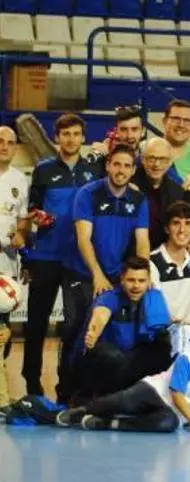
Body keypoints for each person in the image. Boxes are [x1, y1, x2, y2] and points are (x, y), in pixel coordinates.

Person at [56, 321, 190, 433]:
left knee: (167, 425)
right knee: (120, 402)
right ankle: (82, 411)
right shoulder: (186, 359)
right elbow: (177, 395)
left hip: (171, 414)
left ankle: (109, 424)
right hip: (154, 392)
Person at [59, 144, 150, 403]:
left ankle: (97, 394)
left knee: (107, 335)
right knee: (75, 330)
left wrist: (143, 276)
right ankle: (66, 394)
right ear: (108, 165)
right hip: (82, 274)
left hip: (116, 276)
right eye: (116, 164)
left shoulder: (138, 200)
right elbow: (83, 238)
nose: (121, 170)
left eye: (127, 166)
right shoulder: (88, 194)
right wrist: (97, 274)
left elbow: (142, 241)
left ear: (133, 170)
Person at [23, 113, 104, 395]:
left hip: (79, 260)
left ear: (83, 137)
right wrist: (38, 216)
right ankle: (32, 384)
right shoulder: (43, 170)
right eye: (65, 134)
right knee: (36, 323)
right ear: (56, 137)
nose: (71, 139)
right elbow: (32, 208)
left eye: (76, 134)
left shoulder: (94, 170)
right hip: (45, 257)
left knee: (73, 327)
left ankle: (66, 387)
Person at [68, 257, 173, 401]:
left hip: (127, 360)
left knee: (162, 352)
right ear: (122, 279)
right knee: (114, 357)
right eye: (131, 280)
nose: (136, 286)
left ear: (149, 281)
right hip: (96, 361)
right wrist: (93, 333)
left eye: (141, 281)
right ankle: (88, 397)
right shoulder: (110, 297)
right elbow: (100, 314)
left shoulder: (152, 299)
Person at [0, 125, 28, 414]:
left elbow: (22, 223)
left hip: (5, 265)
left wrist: (20, 235)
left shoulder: (20, 180)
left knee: (3, 333)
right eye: (0, 141)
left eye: (10, 142)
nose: (4, 146)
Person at [131, 137, 184, 249]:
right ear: (142, 159)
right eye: (151, 158)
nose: (157, 164)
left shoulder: (177, 192)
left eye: (163, 159)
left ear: (170, 162)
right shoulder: (129, 186)